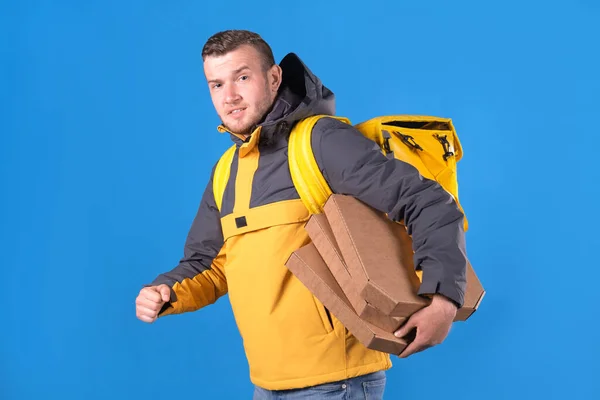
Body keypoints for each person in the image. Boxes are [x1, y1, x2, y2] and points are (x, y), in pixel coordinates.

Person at [135, 29, 467, 399]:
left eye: (242, 77)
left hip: (336, 383)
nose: (229, 97)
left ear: (274, 77)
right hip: (267, 384)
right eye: (216, 84)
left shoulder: (321, 142)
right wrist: (165, 291)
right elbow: (208, 264)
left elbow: (428, 200)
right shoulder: (227, 170)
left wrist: (444, 302)